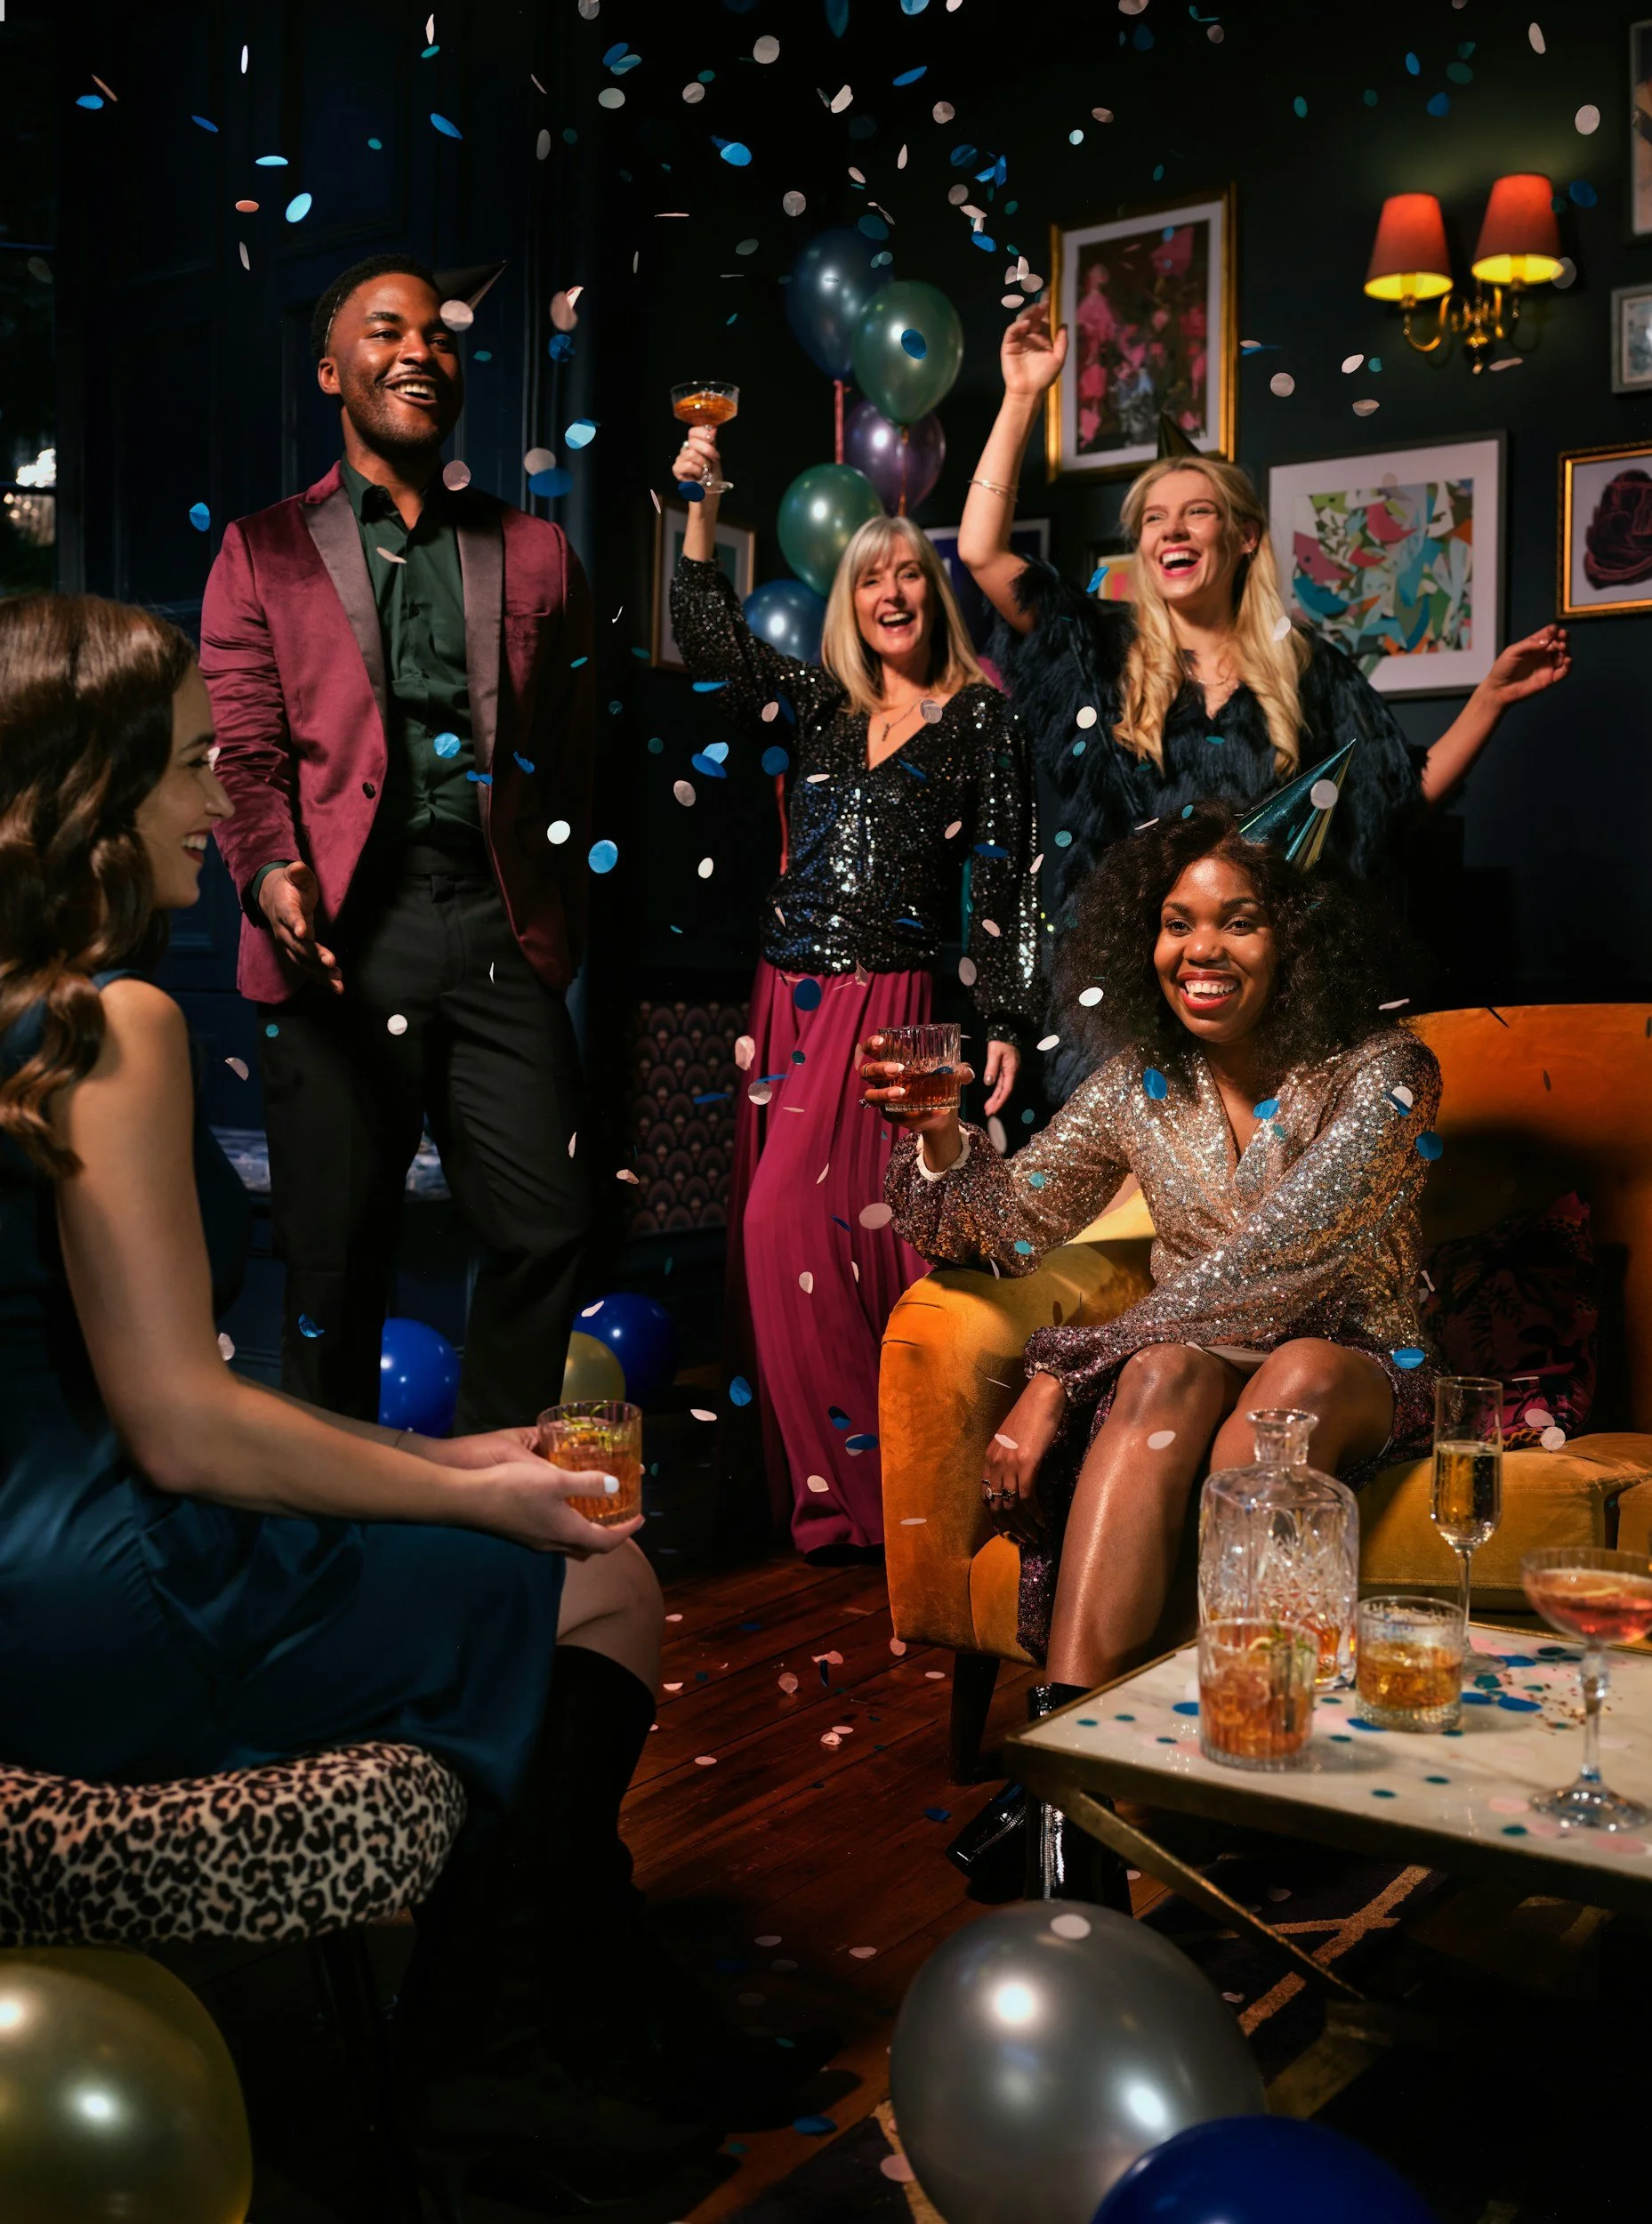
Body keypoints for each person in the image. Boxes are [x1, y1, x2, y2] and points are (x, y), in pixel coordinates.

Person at [0, 593, 809, 2212]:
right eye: (179, 770)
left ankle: (581, 2020)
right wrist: (473, 1490)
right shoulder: (115, 1024)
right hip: (101, 1591)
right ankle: (487, 2063)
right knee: (601, 1573)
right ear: (89, 792)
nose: (213, 807)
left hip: (26, 1574)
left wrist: (443, 1453)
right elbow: (179, 1424)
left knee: (544, 1548)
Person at [862, 802, 1438, 1893]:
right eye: (1177, 923)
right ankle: (1066, 1793)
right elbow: (999, 1229)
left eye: (1240, 921)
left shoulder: (1388, 1071)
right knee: (1167, 1370)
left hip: (1355, 1353)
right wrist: (939, 1136)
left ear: (1299, 937)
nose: (1200, 950)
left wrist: (1059, 1370)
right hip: (1193, 1351)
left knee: (1291, 1380)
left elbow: (1276, 1262)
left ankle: (1258, 1775)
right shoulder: (1140, 1082)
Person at [957, 303, 1570, 1090]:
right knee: (1126, 1209)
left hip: (1261, 1002)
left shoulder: (1304, 670)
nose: (1170, 530)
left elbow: (1397, 798)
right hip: (1119, 1008)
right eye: (1152, 519)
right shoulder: (1097, 650)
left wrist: (1488, 698)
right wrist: (1020, 396)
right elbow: (979, 550)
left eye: (1196, 512)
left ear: (1243, 536)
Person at [200, 253, 594, 1430]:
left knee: (549, 1224)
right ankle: (330, 1549)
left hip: (491, 924)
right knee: (333, 1269)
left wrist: (549, 903)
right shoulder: (260, 551)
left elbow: (567, 756)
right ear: (334, 371)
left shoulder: (535, 555)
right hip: (333, 935)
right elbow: (244, 754)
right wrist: (271, 873)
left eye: (440, 335)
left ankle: (489, 1502)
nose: (421, 350)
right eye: (387, 332)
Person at [670, 415, 1041, 1560]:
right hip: (789, 996)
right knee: (781, 1232)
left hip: (897, 999)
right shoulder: (820, 707)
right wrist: (699, 499)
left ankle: (896, 1494)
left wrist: (1009, 1014)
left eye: (908, 575)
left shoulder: (982, 719)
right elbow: (710, 643)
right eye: (870, 575)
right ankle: (830, 1500)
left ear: (933, 596)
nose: (892, 590)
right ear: (852, 601)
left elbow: (1012, 867)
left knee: (876, 1239)